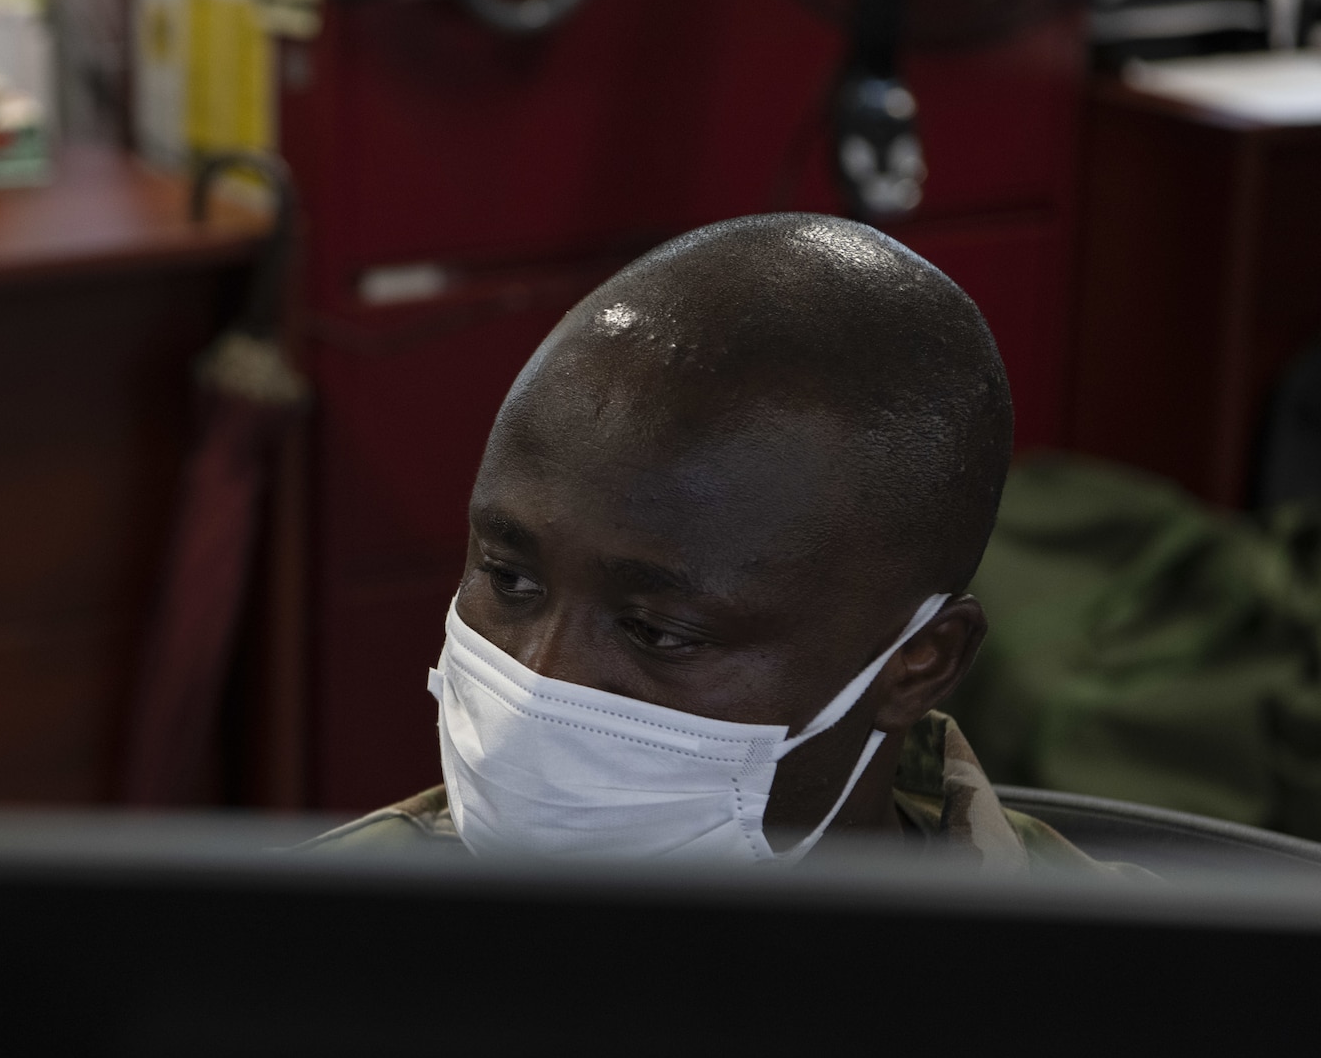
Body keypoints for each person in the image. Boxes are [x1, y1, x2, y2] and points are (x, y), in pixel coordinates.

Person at [307, 214, 1124, 873]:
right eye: (511, 579)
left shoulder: (1141, 1015)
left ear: (920, 660)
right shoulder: (296, 966)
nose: (537, 685)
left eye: (662, 631)